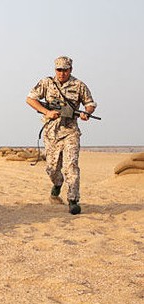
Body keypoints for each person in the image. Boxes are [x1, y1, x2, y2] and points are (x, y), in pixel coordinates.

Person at [26, 56, 98, 215]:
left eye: (65, 70)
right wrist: (47, 112)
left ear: (70, 69)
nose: (62, 73)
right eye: (59, 70)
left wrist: (87, 113)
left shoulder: (79, 85)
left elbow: (90, 104)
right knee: (51, 169)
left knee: (71, 166)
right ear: (55, 70)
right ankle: (57, 185)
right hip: (51, 133)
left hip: (70, 132)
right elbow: (30, 99)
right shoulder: (46, 83)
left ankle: (73, 200)